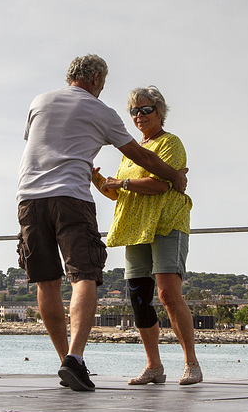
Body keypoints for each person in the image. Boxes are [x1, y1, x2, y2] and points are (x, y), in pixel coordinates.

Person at [16, 56, 188, 392]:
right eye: (104, 83)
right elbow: (144, 158)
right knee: (85, 275)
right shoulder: (100, 111)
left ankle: (66, 360)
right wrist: (176, 178)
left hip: (28, 197)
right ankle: (75, 359)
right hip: (70, 198)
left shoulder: (39, 101)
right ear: (96, 78)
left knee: (47, 281)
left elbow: (41, 144)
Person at [92, 85, 201, 386]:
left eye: (145, 109)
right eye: (134, 111)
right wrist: (103, 183)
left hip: (166, 224)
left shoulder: (170, 144)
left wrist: (123, 182)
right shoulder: (131, 154)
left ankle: (191, 363)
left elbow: (161, 185)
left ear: (160, 112)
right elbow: (122, 191)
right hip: (135, 229)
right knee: (139, 298)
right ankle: (154, 367)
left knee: (168, 294)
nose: (139, 115)